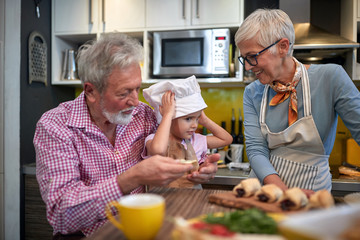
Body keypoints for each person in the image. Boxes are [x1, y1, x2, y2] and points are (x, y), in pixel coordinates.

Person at [33, 32, 219, 238]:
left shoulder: (144, 115)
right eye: (124, 93)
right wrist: (130, 179)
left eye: (137, 89)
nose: (135, 102)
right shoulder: (55, 126)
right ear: (90, 91)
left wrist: (199, 170)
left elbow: (175, 150)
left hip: (141, 228)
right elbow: (62, 214)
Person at [235, 9, 360, 196]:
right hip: (264, 193)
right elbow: (256, 150)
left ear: (283, 47)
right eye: (244, 58)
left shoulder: (331, 78)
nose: (247, 66)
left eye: (252, 56)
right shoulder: (253, 92)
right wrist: (282, 193)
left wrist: (291, 198)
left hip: (311, 197)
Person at [142, 76, 232, 188]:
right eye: (188, 119)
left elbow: (226, 139)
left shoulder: (196, 140)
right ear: (168, 118)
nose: (195, 125)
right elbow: (159, 150)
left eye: (197, 119)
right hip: (162, 202)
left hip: (192, 200)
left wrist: (205, 120)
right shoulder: (153, 139)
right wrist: (168, 114)